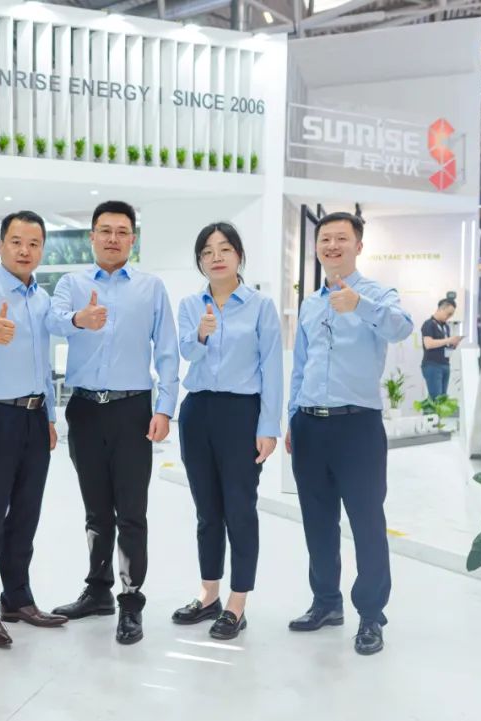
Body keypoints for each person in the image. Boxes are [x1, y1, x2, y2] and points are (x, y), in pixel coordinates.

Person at [47, 200, 180, 645]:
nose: (113, 239)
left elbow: (166, 349)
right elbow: (52, 321)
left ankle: (131, 600)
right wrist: (78, 319)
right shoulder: (71, 284)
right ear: (91, 237)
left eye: (122, 232)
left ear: (132, 239)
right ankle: (98, 590)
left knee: (132, 513)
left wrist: (164, 408)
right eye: (105, 231)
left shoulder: (150, 287)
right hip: (85, 409)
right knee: (96, 511)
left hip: (132, 410)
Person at [285, 211, 413, 656]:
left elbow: (402, 327)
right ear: (317, 247)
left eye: (341, 238)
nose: (332, 246)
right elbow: (300, 365)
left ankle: (371, 614)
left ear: (358, 245)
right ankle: (326, 602)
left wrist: (359, 304)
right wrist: (292, 416)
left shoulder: (377, 295)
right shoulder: (310, 303)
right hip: (310, 424)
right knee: (317, 520)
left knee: (366, 521)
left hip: (357, 426)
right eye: (325, 239)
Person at [0, 210, 67, 650]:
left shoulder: (42, 299)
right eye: (17, 242)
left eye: (34, 243)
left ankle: (17, 599)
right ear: (1, 245)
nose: (25, 251)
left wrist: (50, 417)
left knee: (26, 512)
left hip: (34, 416)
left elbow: (43, 366)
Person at [172, 222, 282, 640]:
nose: (215, 257)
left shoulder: (259, 306)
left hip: (241, 413)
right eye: (207, 251)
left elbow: (272, 368)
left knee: (239, 508)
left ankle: (237, 603)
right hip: (197, 411)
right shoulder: (190, 305)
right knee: (207, 510)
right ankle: (209, 594)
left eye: (224, 249)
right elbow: (186, 352)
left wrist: (268, 426)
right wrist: (200, 335)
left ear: (239, 255)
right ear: (200, 261)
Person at [420, 298, 462, 398]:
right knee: (436, 398)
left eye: (451, 315)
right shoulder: (429, 324)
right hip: (432, 365)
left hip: (445, 364)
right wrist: (448, 340)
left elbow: (445, 345)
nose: (449, 317)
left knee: (443, 398)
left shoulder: (446, 327)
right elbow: (428, 344)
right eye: (448, 314)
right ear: (441, 309)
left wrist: (453, 344)